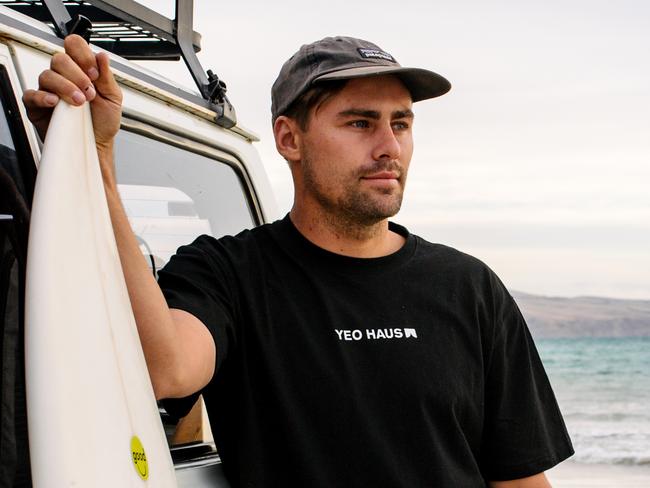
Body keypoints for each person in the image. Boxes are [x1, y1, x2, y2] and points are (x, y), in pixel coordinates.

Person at [25, 34, 573, 487]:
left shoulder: (469, 287)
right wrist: (95, 159)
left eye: (400, 124)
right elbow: (163, 367)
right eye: (360, 123)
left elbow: (521, 479)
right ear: (289, 138)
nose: (389, 147)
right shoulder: (230, 274)